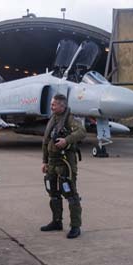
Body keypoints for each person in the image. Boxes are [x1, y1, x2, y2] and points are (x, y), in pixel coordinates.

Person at [41, 94, 86, 239]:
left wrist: (66, 140)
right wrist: (44, 162)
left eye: (54, 104)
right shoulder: (53, 119)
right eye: (51, 104)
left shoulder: (70, 118)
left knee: (71, 194)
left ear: (62, 106)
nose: (51, 106)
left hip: (66, 161)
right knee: (53, 192)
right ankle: (56, 221)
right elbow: (46, 142)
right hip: (52, 162)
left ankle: (75, 226)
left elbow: (81, 132)